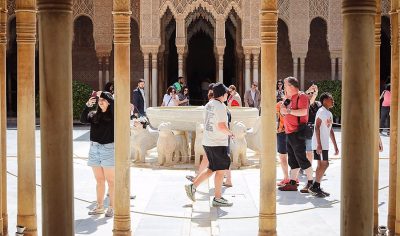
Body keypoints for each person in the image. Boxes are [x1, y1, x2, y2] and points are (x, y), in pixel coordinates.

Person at [185, 83, 234, 207]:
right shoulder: (221, 106)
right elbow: (222, 126)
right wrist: (230, 133)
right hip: (218, 142)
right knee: (220, 170)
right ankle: (217, 198)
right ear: (223, 94)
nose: (227, 95)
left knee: (213, 168)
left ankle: (193, 186)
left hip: (208, 141)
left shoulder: (208, 105)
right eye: (226, 93)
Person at [80, 91, 115, 217]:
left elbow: (114, 103)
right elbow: (83, 119)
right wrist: (87, 106)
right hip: (94, 149)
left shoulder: (113, 117)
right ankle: (99, 206)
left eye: (104, 100)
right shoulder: (94, 115)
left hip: (108, 149)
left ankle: (111, 207)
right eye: (99, 100)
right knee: (99, 180)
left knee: (111, 181)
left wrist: (105, 94)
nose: (101, 101)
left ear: (109, 102)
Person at [278, 77, 314, 193]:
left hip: (298, 131)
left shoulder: (301, 96)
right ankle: (293, 183)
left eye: (285, 85)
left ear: (291, 86)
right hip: (289, 132)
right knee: (293, 160)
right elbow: (282, 109)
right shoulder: (289, 98)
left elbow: (304, 111)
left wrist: (288, 111)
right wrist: (284, 106)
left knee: (302, 158)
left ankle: (310, 183)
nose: (283, 87)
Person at [309, 92, 339, 198]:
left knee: (321, 165)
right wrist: (319, 144)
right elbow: (316, 127)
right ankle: (314, 186)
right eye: (331, 98)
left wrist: (335, 146)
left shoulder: (329, 113)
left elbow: (330, 130)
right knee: (325, 164)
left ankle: (316, 187)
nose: (333, 100)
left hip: (324, 144)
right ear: (324, 100)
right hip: (319, 144)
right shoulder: (321, 111)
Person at [304, 84, 321, 167]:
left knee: (318, 149)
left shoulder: (318, 104)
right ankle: (308, 167)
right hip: (307, 130)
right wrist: (313, 92)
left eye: (312, 93)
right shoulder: (305, 103)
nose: (310, 95)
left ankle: (319, 167)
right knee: (308, 150)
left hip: (317, 129)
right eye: (309, 93)